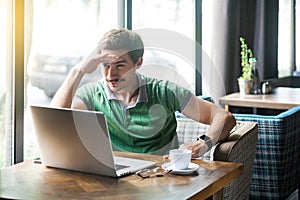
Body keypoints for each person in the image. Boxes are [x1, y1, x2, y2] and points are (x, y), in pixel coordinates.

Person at [50, 28, 236, 158]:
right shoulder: (92, 95)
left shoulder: (164, 91)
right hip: (114, 181)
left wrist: (204, 143)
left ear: (138, 63)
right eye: (105, 65)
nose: (110, 74)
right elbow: (54, 122)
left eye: (120, 66)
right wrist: (78, 71)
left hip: (162, 182)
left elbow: (224, 116)